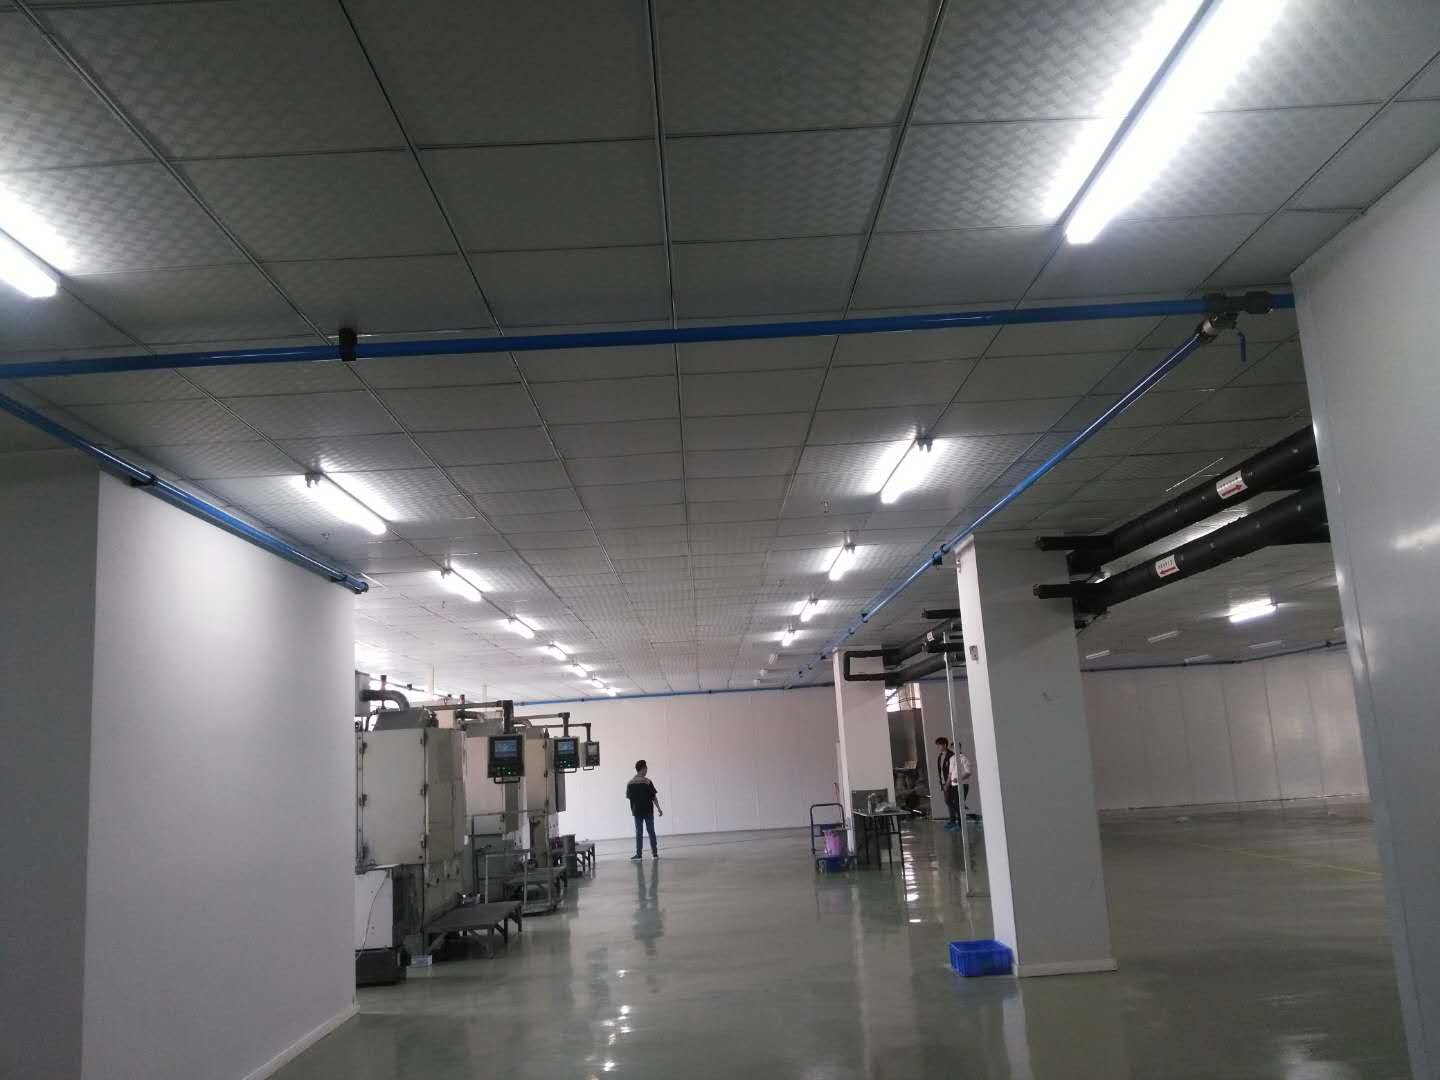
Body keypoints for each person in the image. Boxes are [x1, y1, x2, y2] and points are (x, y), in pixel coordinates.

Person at [626, 759, 663, 860]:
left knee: (639, 833)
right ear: (642, 769)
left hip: (637, 811)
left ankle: (639, 854)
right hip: (648, 811)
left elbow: (629, 797)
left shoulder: (630, 783)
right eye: (646, 768)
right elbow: (653, 797)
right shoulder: (648, 782)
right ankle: (654, 854)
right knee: (651, 831)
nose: (647, 770)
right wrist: (659, 809)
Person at [935, 737, 972, 832]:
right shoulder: (951, 758)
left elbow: (968, 772)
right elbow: (950, 773)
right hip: (952, 784)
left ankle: (960, 823)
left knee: (957, 803)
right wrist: (946, 784)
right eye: (953, 747)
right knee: (954, 803)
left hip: (962, 784)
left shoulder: (963, 758)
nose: (954, 749)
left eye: (940, 745)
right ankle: (957, 822)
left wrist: (959, 779)